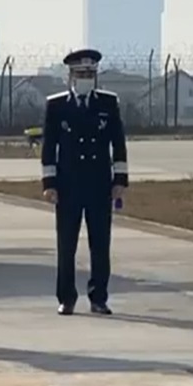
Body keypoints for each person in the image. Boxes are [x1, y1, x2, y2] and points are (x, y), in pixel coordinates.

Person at [41, 48, 128, 316]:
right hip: (68, 185)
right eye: (81, 74)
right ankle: (66, 297)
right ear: (70, 76)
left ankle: (98, 297)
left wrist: (120, 179)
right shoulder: (57, 106)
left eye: (90, 74)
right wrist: (49, 183)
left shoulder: (107, 103)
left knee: (100, 244)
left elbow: (118, 143)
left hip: (99, 184)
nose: (86, 78)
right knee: (66, 245)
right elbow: (49, 147)